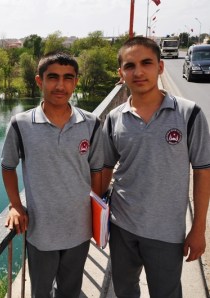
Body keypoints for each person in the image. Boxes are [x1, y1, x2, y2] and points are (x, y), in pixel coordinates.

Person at [102, 36, 210, 297]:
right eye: (130, 66)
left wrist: (198, 230)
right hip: (122, 227)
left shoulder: (189, 114)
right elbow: (104, 169)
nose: (138, 72)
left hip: (166, 232)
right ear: (121, 74)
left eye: (146, 63)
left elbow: (203, 172)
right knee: (125, 291)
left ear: (160, 67)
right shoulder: (115, 118)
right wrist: (96, 216)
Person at [1, 52, 103, 297]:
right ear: (39, 81)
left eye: (68, 78)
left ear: (76, 82)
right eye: (53, 77)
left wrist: (97, 211)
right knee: (41, 291)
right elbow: (8, 166)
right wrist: (15, 205)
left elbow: (97, 170)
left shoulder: (91, 123)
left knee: (70, 289)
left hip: (80, 230)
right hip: (41, 231)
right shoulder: (21, 124)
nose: (60, 85)